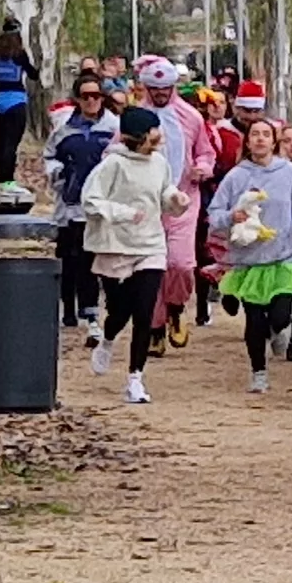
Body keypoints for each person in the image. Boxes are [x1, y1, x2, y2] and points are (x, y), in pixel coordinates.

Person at [76, 104, 181, 401]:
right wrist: (123, 213)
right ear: (136, 136)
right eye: (152, 131)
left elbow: (164, 192)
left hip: (151, 245)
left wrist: (175, 200)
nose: (158, 136)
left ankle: (135, 379)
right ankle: (108, 339)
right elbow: (90, 201)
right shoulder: (112, 165)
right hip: (115, 245)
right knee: (120, 311)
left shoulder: (159, 163)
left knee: (144, 312)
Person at [203, 116, 292, 394]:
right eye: (255, 134)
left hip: (283, 255)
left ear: (274, 141)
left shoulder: (290, 172)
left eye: (266, 134)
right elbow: (214, 214)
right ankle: (259, 373)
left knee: (281, 315)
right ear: (248, 142)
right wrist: (232, 216)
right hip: (248, 260)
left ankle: (277, 332)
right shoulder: (236, 176)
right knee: (254, 321)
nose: (261, 139)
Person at [128, 56, 211, 352]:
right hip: (146, 205)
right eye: (155, 89)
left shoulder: (191, 117)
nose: (161, 93)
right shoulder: (135, 117)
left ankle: (176, 306)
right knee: (149, 268)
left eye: (166, 88)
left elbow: (205, 152)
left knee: (180, 264)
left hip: (183, 201)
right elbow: (114, 150)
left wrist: (202, 167)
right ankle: (154, 328)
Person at [46, 71, 120, 337]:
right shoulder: (63, 129)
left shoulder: (114, 127)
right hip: (72, 206)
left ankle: (104, 309)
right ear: (77, 99)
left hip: (105, 206)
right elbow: (50, 157)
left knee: (101, 259)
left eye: (96, 96)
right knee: (73, 259)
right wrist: (59, 175)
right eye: (85, 96)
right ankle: (76, 311)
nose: (91, 101)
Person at [0, 17, 39, 188]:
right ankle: (8, 181)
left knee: (0, 142)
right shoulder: (19, 54)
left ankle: (1, 179)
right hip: (15, 101)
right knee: (11, 143)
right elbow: (33, 75)